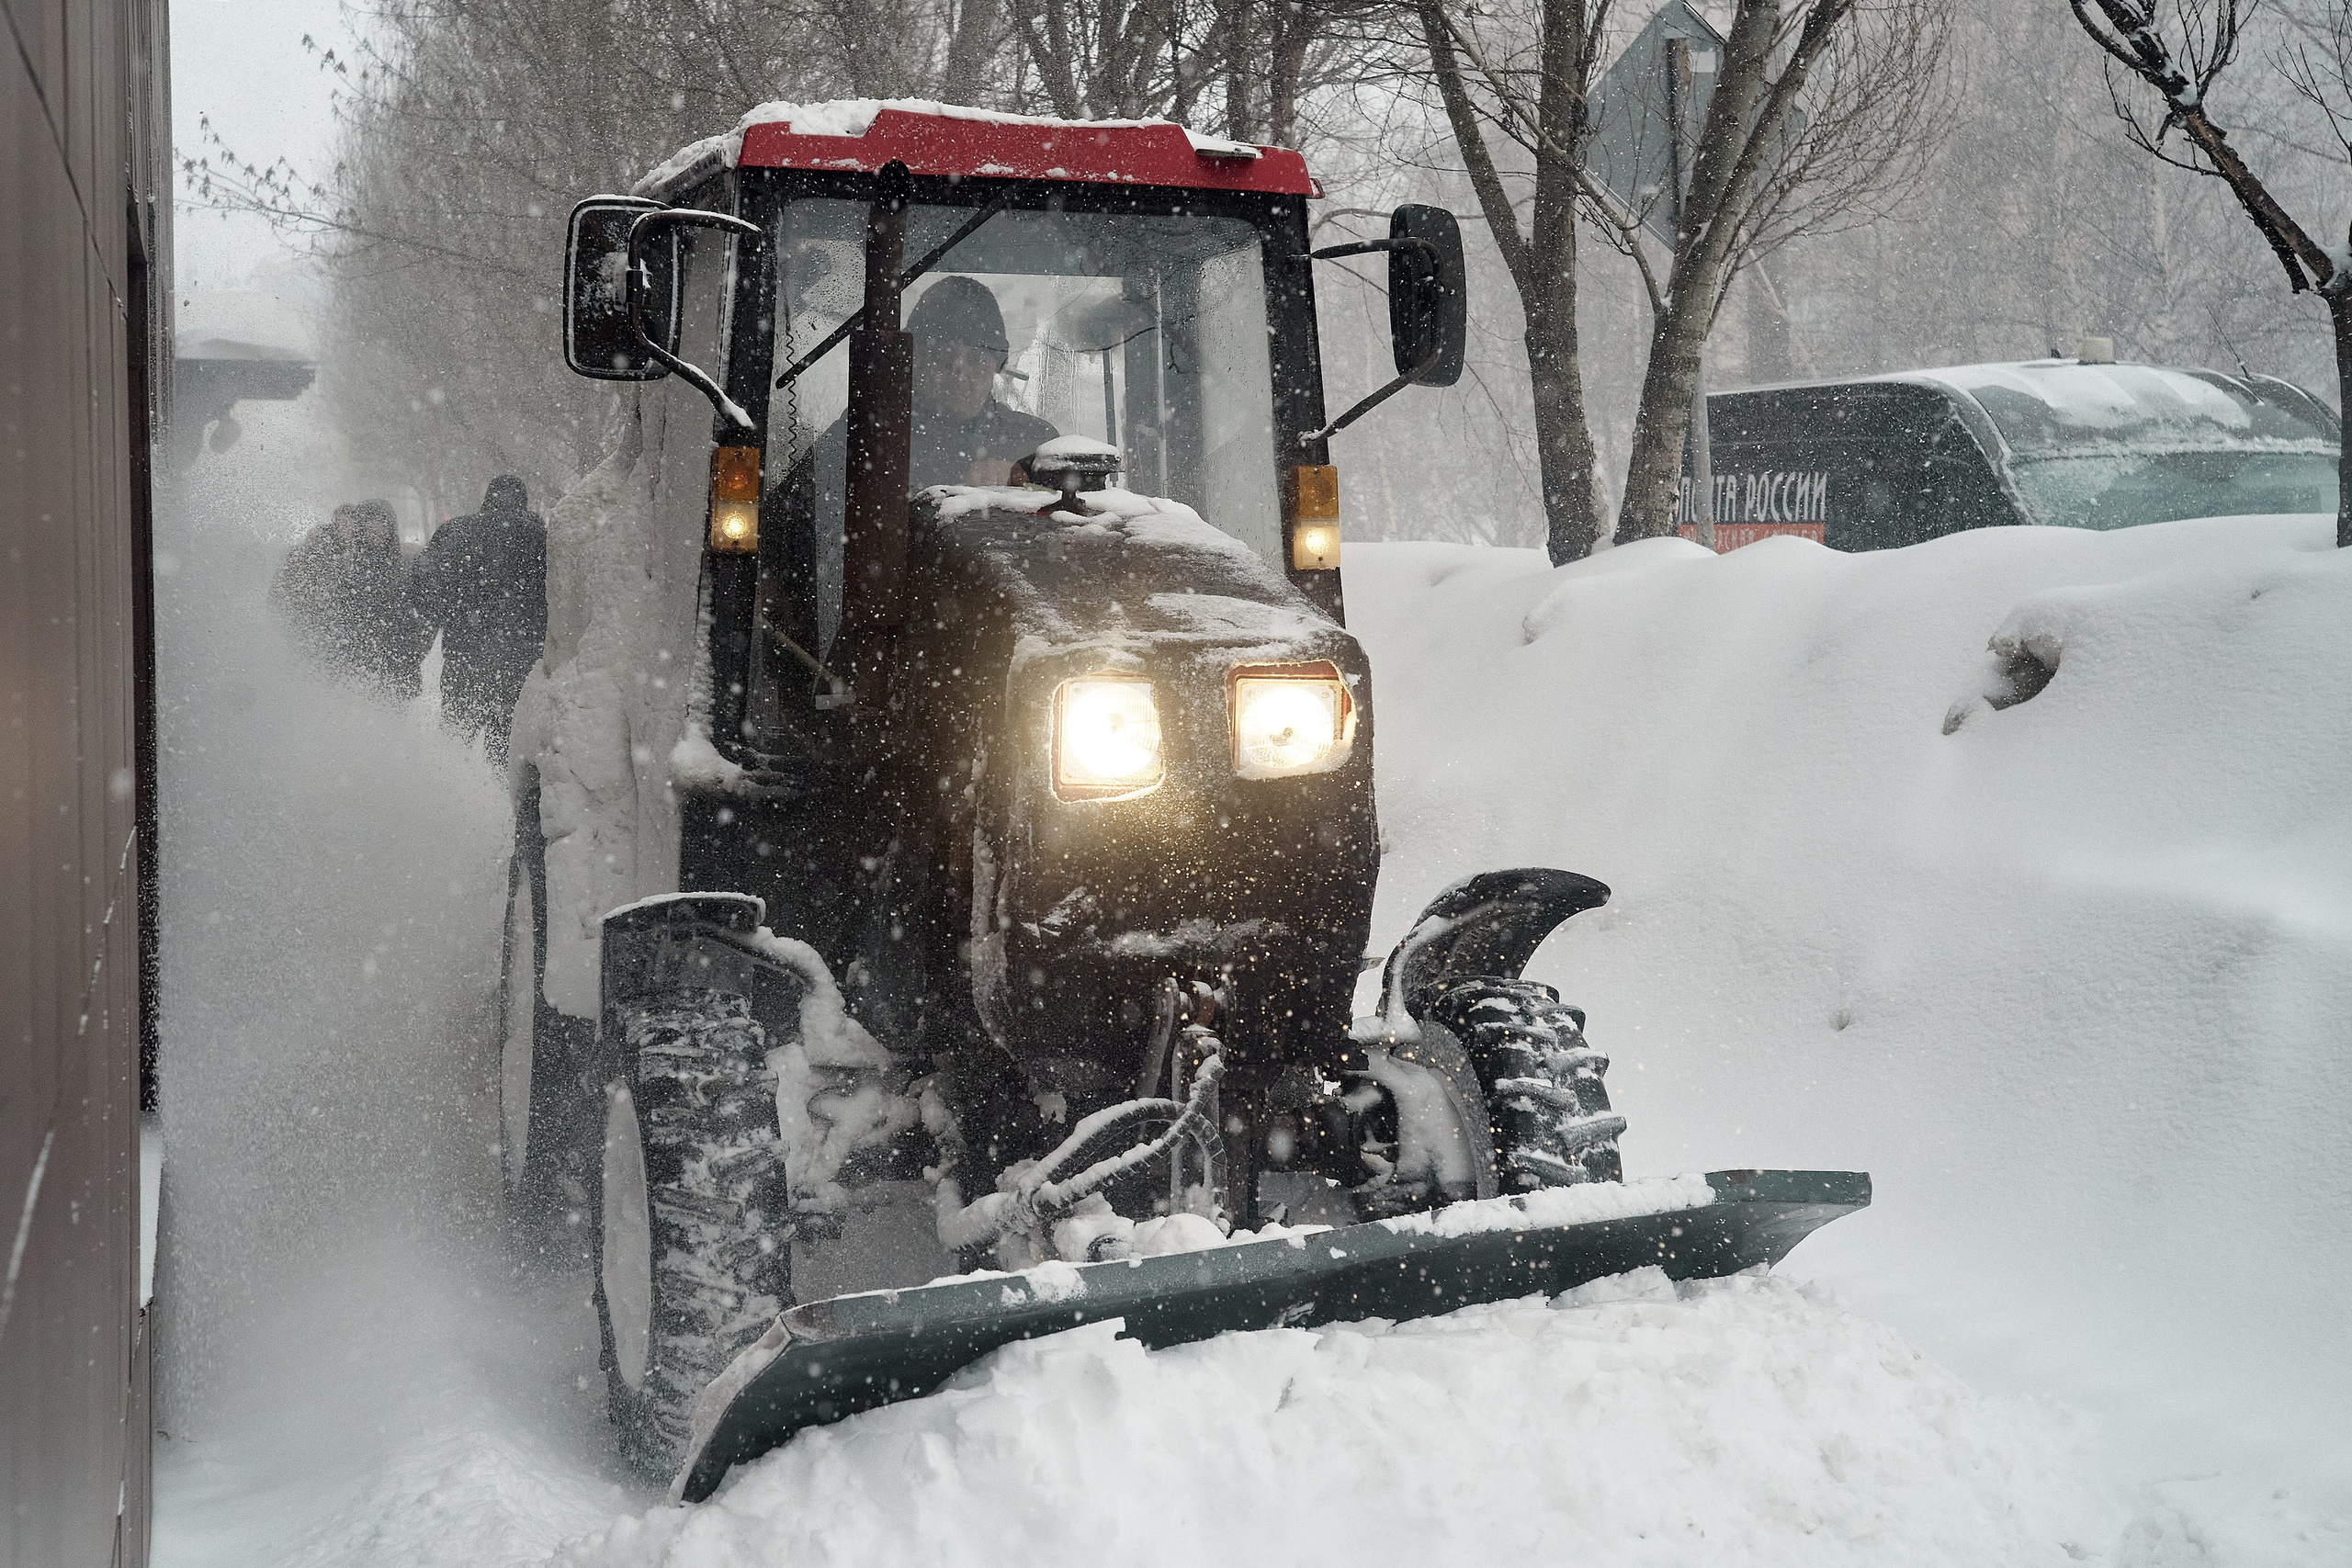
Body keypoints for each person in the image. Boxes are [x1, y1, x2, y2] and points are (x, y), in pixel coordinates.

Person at [409, 474, 547, 765]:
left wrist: (454, 614)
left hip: (465, 662)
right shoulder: (539, 538)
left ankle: (442, 803)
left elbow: (422, 582)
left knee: (453, 750)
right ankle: (501, 810)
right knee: (506, 762)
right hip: (517, 670)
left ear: (487, 498)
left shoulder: (458, 532)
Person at [271, 499, 431, 698]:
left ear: (391, 527)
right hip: (355, 668)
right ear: (361, 529)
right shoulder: (344, 566)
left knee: (391, 721)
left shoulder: (406, 566)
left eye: (383, 524)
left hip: (397, 668)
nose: (377, 530)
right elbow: (327, 614)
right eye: (370, 524)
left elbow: (428, 615)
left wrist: (413, 651)